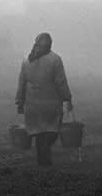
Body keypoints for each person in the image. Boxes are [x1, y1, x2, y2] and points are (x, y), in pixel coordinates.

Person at [15, 33, 73, 165]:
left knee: (39, 133)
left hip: (32, 105)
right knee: (50, 132)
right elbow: (61, 82)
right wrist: (67, 98)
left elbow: (22, 82)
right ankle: (45, 162)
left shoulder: (26, 60)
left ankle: (43, 161)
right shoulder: (55, 59)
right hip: (50, 104)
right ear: (49, 45)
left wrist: (19, 101)